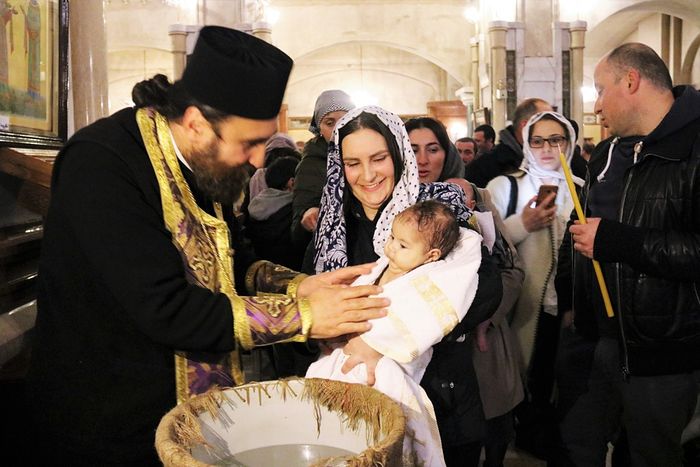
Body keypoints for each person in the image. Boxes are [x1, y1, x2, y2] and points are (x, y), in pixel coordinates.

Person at [25, 27, 389, 466]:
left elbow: (233, 262)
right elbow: (167, 308)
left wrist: (299, 286)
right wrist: (305, 316)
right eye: (249, 143)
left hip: (193, 409)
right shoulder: (101, 163)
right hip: (109, 417)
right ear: (196, 123)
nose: (259, 159)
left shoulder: (204, 161)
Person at [311, 105, 502, 467]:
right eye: (353, 163)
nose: (368, 175)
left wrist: (385, 339)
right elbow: (314, 301)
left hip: (443, 400)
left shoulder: (436, 212)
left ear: (399, 156)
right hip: (356, 410)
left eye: (378, 158)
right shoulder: (333, 227)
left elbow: (486, 289)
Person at [555, 42, 700, 466]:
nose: (596, 105)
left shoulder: (694, 146)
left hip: (663, 352)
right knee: (578, 444)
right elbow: (581, 227)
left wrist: (622, 243)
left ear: (631, 81)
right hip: (595, 340)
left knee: (652, 455)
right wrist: (571, 299)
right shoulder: (608, 152)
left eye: (600, 90)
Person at [308, 200, 483, 466]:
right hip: (346, 351)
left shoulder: (426, 282)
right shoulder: (383, 266)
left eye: (402, 245)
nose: (390, 247)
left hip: (390, 366)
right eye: (391, 237)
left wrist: (375, 341)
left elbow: (426, 319)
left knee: (381, 430)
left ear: (431, 256)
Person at [486, 111, 583, 459]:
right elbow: (486, 246)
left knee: (560, 382)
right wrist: (522, 224)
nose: (546, 149)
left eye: (556, 140)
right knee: (523, 376)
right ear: (526, 143)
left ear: (569, 144)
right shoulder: (505, 187)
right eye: (538, 141)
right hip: (522, 307)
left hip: (568, 308)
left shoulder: (582, 189)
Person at [291, 89, 355, 254]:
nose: (339, 128)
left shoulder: (365, 153)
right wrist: (308, 215)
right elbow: (297, 230)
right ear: (319, 128)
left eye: (346, 120)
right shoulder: (311, 164)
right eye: (330, 123)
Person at [466, 98, 552, 188]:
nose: (554, 127)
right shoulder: (485, 167)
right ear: (526, 126)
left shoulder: (546, 159)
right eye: (547, 122)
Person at [245, 156, 301, 270]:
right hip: (290, 273)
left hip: (262, 272)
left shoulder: (254, 205)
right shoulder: (295, 210)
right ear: (292, 183)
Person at [405, 116, 465, 183]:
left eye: (433, 150)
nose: (422, 161)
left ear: (447, 154)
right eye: (412, 151)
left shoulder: (464, 189)